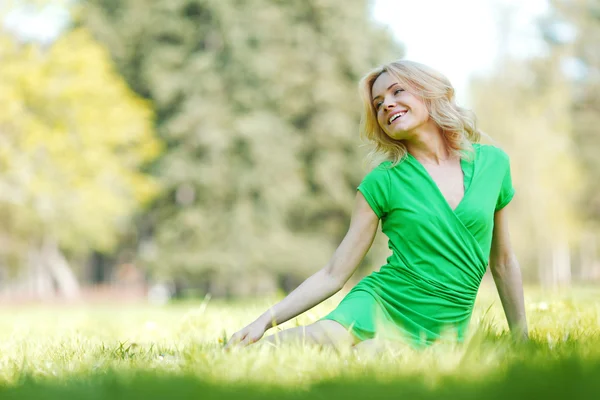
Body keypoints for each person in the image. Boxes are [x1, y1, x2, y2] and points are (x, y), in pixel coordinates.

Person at [224, 59, 528, 352]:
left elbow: (502, 262)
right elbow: (333, 273)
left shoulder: (493, 164)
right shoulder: (382, 182)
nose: (386, 105)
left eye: (397, 92)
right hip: (381, 301)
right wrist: (265, 320)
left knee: (372, 355)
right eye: (378, 103)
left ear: (429, 91)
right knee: (319, 339)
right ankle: (231, 355)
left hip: (443, 327)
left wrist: (521, 340)